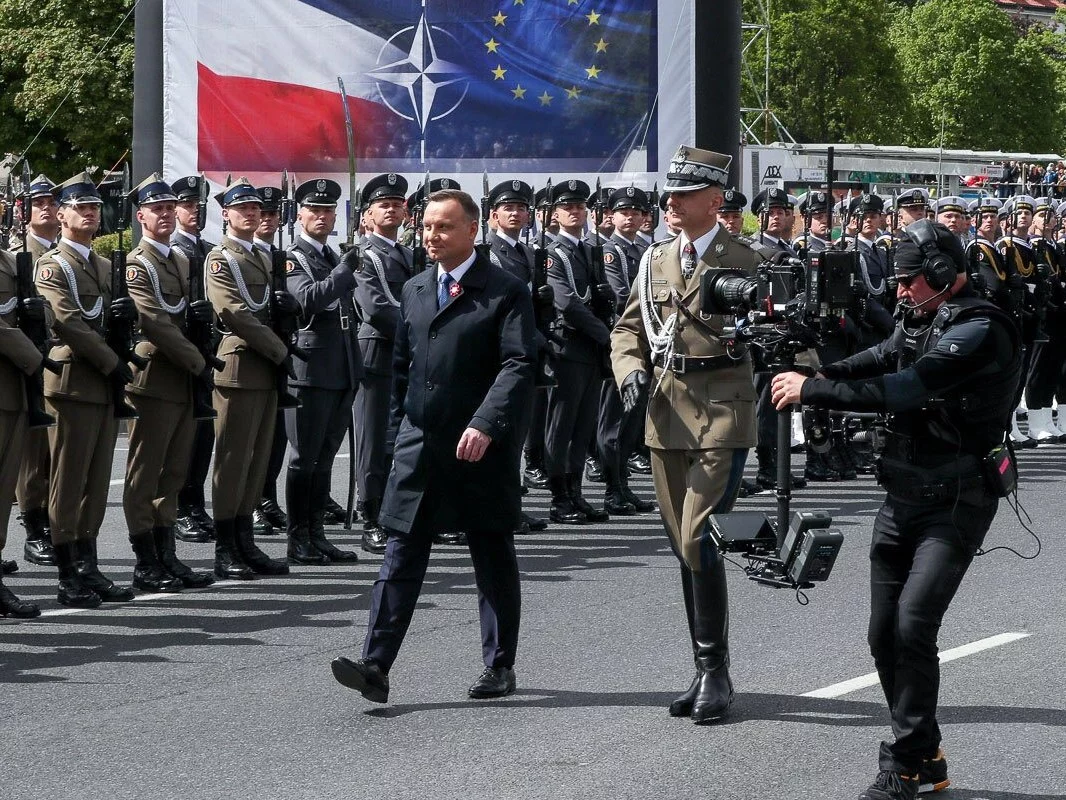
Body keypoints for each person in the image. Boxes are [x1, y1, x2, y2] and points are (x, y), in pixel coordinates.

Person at [771, 221, 1022, 800]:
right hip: (903, 492)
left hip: (957, 498)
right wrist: (824, 371)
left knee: (913, 624)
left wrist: (814, 392)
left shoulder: (981, 327)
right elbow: (884, 353)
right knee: (883, 633)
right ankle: (926, 752)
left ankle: (903, 763)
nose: (900, 291)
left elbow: (909, 385)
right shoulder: (924, 317)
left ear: (939, 274)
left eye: (909, 280)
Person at [330, 189, 535, 702]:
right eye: (426, 228)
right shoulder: (418, 287)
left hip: (479, 447)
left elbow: (518, 364)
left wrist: (486, 423)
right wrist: (399, 434)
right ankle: (374, 665)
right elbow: (403, 368)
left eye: (444, 227)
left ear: (472, 230)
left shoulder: (505, 291)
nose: (431, 237)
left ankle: (499, 664)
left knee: (490, 552)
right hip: (421, 446)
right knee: (400, 552)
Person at [611, 145, 761, 723]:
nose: (671, 202)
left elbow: (778, 327)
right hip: (666, 411)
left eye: (685, 194)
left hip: (723, 410)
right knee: (683, 544)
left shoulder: (746, 259)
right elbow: (628, 328)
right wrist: (629, 372)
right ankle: (705, 668)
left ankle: (715, 671)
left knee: (699, 536)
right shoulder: (652, 262)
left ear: (714, 200)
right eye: (670, 194)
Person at [35, 173, 138, 607]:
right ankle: (66, 571)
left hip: (100, 384)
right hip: (73, 383)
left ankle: (88, 562)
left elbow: (106, 322)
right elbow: (67, 323)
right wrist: (115, 363)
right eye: (82, 207)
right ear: (62, 215)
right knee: (69, 479)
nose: (91, 214)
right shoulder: (52, 265)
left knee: (96, 482)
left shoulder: (103, 265)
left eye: (94, 207)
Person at [121, 174, 215, 592]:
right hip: (155, 378)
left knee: (174, 472)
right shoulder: (136, 263)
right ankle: (145, 560)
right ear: (141, 215)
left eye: (168, 207)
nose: (163, 214)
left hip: (182, 380)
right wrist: (201, 363)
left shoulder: (183, 260)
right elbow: (156, 323)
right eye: (155, 208)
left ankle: (166, 553)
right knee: (145, 474)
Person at [204, 178, 293, 579]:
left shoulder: (264, 255)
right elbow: (234, 312)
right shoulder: (221, 258)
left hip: (266, 369)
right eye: (242, 208)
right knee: (233, 459)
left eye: (256, 208)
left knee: (257, 461)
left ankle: (244, 540)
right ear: (226, 213)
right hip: (239, 366)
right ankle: (226, 546)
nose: (251, 213)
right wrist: (280, 350)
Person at [282, 178, 362, 564]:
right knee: (304, 457)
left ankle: (317, 534)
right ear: (300, 215)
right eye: (314, 210)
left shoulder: (331, 256)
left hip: (341, 368)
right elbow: (307, 302)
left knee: (325, 456)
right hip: (309, 371)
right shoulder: (293, 257)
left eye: (328, 211)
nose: (322, 216)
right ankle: (298, 537)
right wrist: (345, 272)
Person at [543, 179, 612, 524]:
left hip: (590, 350)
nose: (575, 211)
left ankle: (576, 492)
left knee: (583, 426)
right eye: (567, 207)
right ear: (555, 214)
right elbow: (567, 303)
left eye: (580, 207)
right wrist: (607, 335)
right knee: (562, 426)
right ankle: (559, 497)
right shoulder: (554, 254)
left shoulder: (589, 250)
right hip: (567, 347)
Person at [484, 178, 550, 533]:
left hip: (526, 349)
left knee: (517, 433)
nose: (516, 213)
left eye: (522, 208)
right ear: (493, 215)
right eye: (508, 208)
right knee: (498, 432)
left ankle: (511, 505)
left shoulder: (527, 253)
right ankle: (497, 506)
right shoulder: (489, 252)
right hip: (503, 351)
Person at [353, 173, 414, 554]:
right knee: (373, 442)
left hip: (408, 355)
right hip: (378, 354)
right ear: (367, 215)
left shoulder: (410, 254)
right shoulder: (363, 254)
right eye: (382, 204)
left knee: (405, 439)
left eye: (396, 203)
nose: (391, 208)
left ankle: (399, 512)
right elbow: (375, 308)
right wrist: (423, 330)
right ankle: (371, 514)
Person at [12, 174, 59, 567]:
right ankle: (33, 529)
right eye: (38, 202)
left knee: (51, 453)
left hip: (58, 363)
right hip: (27, 360)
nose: (47, 207)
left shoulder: (64, 251)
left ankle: (52, 522)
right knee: (31, 454)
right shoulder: (16, 254)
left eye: (52, 201)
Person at [170, 175, 219, 544]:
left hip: (209, 348)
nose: (195, 211)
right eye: (187, 205)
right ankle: (180, 507)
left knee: (203, 436)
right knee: (183, 437)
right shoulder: (174, 252)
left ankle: (195, 503)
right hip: (184, 352)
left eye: (199, 204)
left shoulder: (208, 249)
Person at [0, 246, 48, 617]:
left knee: (2, 493)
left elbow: (38, 314)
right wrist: (30, 351)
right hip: (17, 372)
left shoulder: (11, 262)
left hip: (13, 391)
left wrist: (39, 318)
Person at [250, 184, 291, 535]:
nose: (266, 219)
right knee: (247, 444)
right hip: (254, 355)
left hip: (278, 354)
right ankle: (252, 503)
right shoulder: (237, 257)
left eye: (272, 214)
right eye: (261, 213)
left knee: (275, 437)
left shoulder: (279, 256)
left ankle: (267, 498)